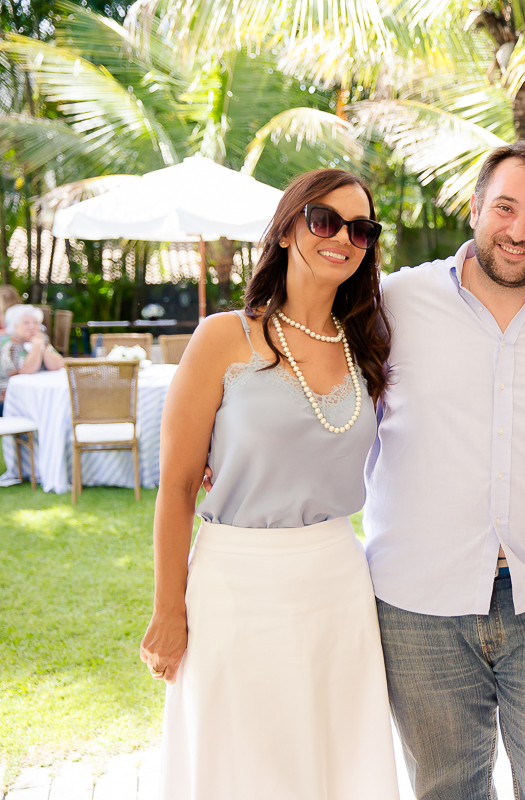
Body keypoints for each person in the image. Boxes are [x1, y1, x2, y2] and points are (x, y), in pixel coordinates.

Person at [365, 142, 525, 800]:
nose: (518, 230)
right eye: (505, 208)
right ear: (475, 207)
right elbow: (324, 396)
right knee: (445, 791)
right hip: (417, 603)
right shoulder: (394, 303)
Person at [139, 169, 400, 800]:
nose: (342, 238)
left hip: (337, 584)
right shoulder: (222, 337)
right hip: (236, 583)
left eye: (360, 229)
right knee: (239, 765)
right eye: (324, 220)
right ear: (286, 230)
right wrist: (169, 608)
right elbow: (177, 486)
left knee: (334, 762)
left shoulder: (369, 344)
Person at [1, 304, 64, 413]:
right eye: (26, 323)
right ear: (15, 325)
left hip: (36, 396)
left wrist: (42, 347)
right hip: (10, 400)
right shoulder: (10, 343)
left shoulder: (39, 340)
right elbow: (26, 371)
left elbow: (58, 365)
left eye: (36, 323)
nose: (32, 327)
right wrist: (37, 346)